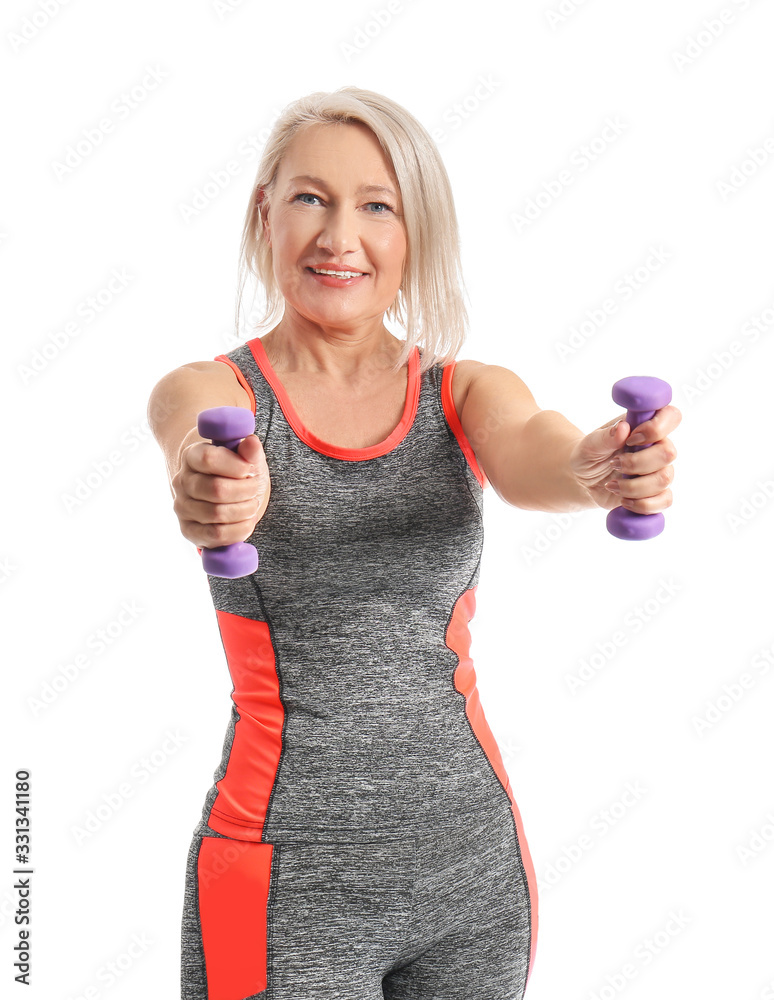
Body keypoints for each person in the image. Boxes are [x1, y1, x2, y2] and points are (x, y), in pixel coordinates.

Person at [148, 86, 680, 1000]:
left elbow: (534, 449)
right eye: (312, 198)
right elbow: (197, 448)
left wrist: (599, 467)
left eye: (377, 206)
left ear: (415, 232)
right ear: (264, 212)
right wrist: (219, 481)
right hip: (288, 881)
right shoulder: (211, 391)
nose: (339, 236)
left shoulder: (463, 391)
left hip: (472, 875)